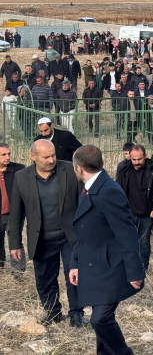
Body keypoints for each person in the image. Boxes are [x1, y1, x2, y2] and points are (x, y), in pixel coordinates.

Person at [69, 145, 144, 355]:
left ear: (78, 168)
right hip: (93, 265)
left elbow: (127, 233)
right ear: (102, 163)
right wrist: (75, 263)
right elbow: (86, 232)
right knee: (101, 320)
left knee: (100, 319)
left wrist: (135, 272)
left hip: (111, 267)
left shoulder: (108, 191)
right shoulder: (89, 187)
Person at [8, 140, 85, 326]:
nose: (51, 160)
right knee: (44, 279)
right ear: (33, 156)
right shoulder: (22, 178)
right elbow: (16, 212)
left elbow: (84, 201)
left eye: (53, 155)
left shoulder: (70, 170)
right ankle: (53, 312)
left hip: (69, 237)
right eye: (46, 157)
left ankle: (76, 314)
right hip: (41, 238)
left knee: (74, 276)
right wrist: (15, 243)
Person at [116, 144, 153, 269]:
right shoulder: (123, 169)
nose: (137, 162)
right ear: (129, 157)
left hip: (148, 213)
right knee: (128, 241)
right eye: (134, 159)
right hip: (129, 212)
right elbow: (118, 190)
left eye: (139, 159)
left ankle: (143, 268)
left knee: (144, 242)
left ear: (145, 156)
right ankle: (129, 266)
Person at [0, 143, 25, 272]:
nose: (7, 157)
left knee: (15, 241)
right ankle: (1, 267)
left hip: (13, 214)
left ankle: (18, 271)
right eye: (3, 155)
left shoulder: (19, 170)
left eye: (8, 154)